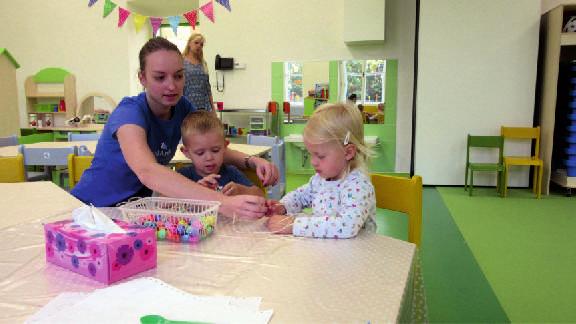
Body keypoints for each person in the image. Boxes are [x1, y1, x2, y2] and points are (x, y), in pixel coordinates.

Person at [71, 37, 277, 219]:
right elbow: (147, 171)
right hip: (93, 209)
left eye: (178, 76)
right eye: (160, 77)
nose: (172, 86)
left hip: (134, 211)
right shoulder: (129, 113)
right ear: (142, 78)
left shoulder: (182, 107)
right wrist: (224, 203)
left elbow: (208, 144)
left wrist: (252, 161)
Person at [265, 103, 376, 239]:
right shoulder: (321, 179)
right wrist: (283, 206)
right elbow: (300, 196)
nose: (313, 161)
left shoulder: (358, 185)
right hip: (327, 252)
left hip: (357, 255)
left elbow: (347, 225)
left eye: (320, 156)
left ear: (348, 152)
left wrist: (294, 224)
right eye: (311, 154)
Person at [178, 110, 264, 197]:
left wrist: (241, 190)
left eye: (215, 150)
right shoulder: (183, 176)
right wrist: (196, 191)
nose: (209, 158)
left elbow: (260, 195)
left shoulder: (231, 173)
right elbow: (166, 200)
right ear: (186, 153)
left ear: (225, 146)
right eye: (200, 153)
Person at [182, 31, 214, 111]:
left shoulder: (203, 63)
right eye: (196, 43)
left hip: (204, 106)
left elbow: (208, 88)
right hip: (187, 105)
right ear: (189, 43)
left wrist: (213, 109)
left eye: (201, 45)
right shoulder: (181, 61)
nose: (199, 46)